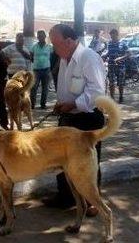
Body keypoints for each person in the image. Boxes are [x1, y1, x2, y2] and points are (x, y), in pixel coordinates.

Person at [43, 24, 106, 215]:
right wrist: (62, 104)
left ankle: (93, 202)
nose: (53, 48)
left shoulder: (88, 57)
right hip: (68, 117)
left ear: (69, 41)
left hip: (87, 118)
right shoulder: (64, 58)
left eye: (55, 43)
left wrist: (74, 104)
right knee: (63, 160)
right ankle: (65, 196)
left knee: (88, 163)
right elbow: (67, 87)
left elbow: (96, 92)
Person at [102, 29, 130, 103]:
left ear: (117, 35)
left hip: (121, 67)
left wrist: (120, 58)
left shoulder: (123, 44)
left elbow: (129, 54)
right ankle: (112, 99)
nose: (112, 37)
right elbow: (108, 53)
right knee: (111, 83)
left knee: (120, 83)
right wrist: (104, 56)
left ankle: (121, 97)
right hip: (111, 66)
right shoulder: (109, 44)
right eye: (111, 36)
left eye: (113, 36)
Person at [30, 30, 53, 109]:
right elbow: (31, 56)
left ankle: (43, 104)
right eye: (39, 36)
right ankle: (32, 105)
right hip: (36, 70)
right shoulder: (34, 47)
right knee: (33, 88)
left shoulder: (49, 47)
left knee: (45, 88)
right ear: (37, 37)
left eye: (42, 36)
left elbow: (53, 57)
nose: (40, 37)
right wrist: (37, 62)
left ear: (45, 36)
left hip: (46, 70)